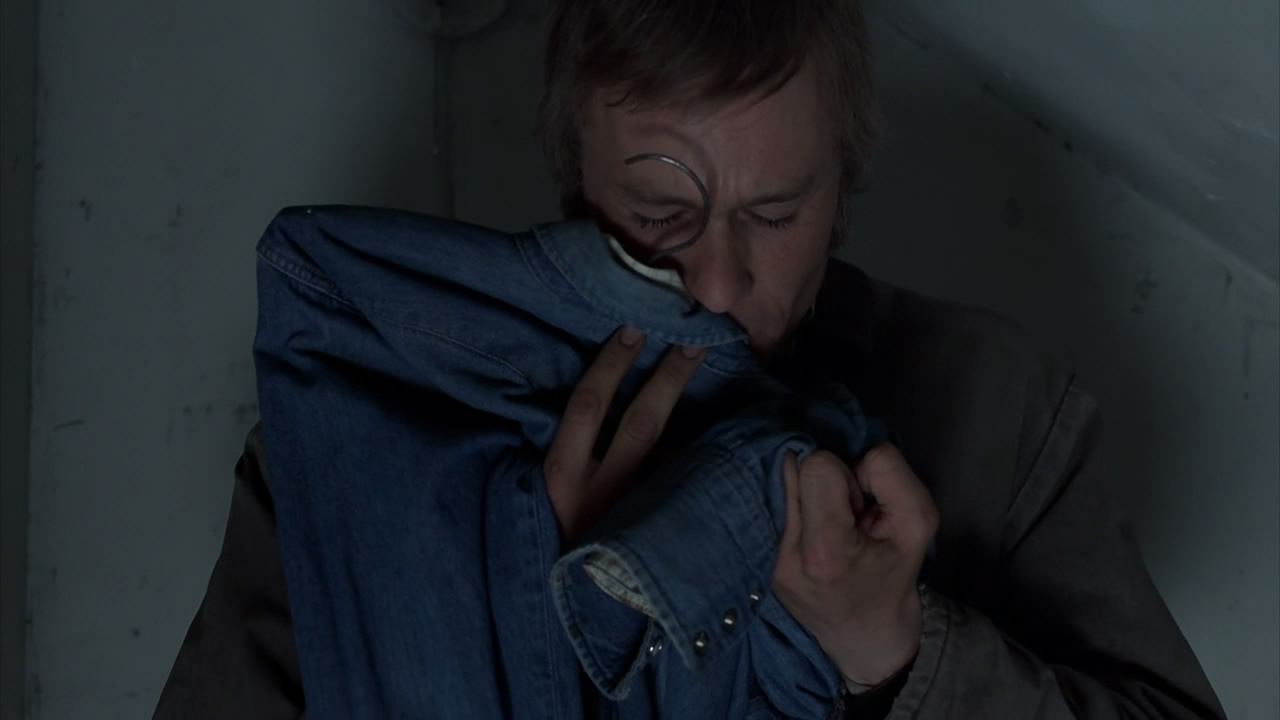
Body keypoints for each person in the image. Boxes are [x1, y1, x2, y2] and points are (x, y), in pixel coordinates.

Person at [154, 1, 1226, 718]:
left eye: (775, 213)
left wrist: (895, 653)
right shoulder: (375, 411)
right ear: (572, 180)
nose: (715, 284)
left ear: (843, 196)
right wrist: (524, 589)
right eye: (659, 214)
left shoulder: (999, 409)